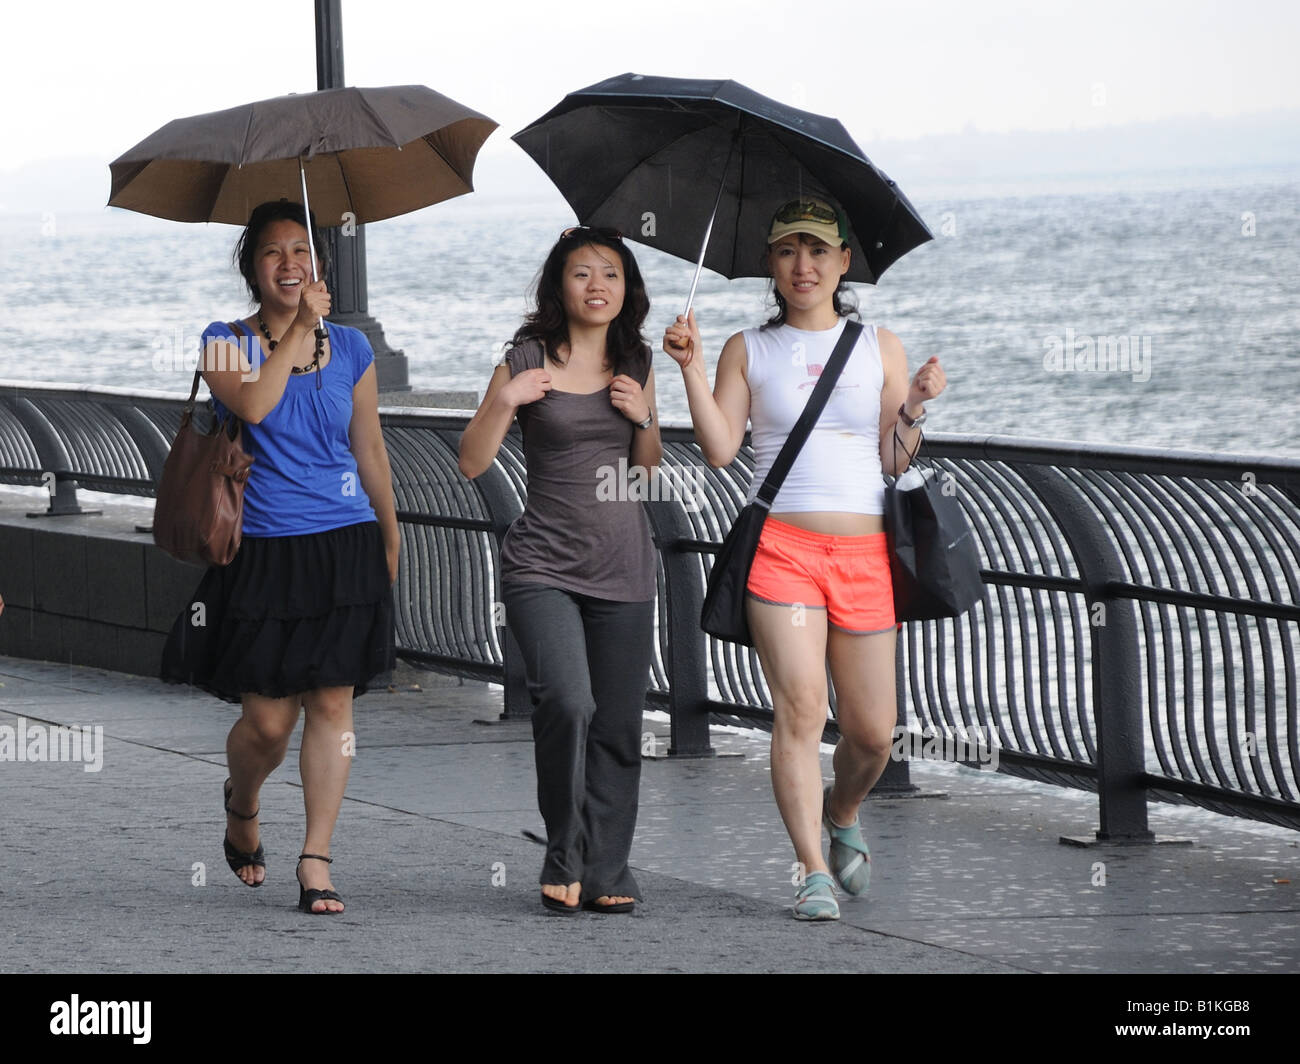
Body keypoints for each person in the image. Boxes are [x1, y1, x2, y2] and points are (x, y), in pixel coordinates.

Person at [663, 197, 947, 921]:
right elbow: (724, 448)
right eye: (788, 250)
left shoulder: (877, 345)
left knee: (873, 732)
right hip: (782, 552)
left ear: (844, 261)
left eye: (818, 251)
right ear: (770, 262)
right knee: (800, 709)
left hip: (863, 554)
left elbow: (892, 459)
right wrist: (692, 370)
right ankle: (811, 871)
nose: (804, 265)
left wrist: (913, 405)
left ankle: (842, 808)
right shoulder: (746, 349)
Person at [160, 200, 399, 915]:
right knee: (267, 721)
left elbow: (371, 448)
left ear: (320, 265)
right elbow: (257, 408)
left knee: (332, 703)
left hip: (344, 540)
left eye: (303, 250)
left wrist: (391, 531)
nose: (291, 264)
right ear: (252, 269)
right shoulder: (224, 340)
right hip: (263, 549)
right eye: (274, 253)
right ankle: (243, 800)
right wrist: (295, 329)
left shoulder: (352, 349)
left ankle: (316, 857)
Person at [459, 226, 660, 915]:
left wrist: (646, 418)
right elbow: (471, 460)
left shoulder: (636, 360)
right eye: (582, 273)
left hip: (625, 567)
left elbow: (644, 477)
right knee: (568, 702)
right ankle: (562, 851)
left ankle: (607, 870)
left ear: (626, 288)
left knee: (618, 727)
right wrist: (507, 400)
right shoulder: (526, 357)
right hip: (541, 564)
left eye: (610, 273)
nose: (597, 285)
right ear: (559, 286)